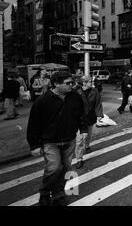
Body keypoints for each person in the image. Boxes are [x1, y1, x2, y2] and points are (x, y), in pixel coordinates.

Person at [27, 71, 87, 206]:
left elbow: (81, 115)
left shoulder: (75, 97)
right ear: (55, 84)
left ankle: (58, 194)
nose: (72, 85)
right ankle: (44, 193)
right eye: (68, 83)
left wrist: (83, 130)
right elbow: (33, 124)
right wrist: (34, 145)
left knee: (65, 169)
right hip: (50, 142)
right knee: (54, 168)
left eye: (72, 82)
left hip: (69, 139)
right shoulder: (42, 101)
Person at [74, 76, 103, 169]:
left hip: (90, 117)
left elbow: (98, 103)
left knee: (89, 135)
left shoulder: (95, 91)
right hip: (79, 120)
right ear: (84, 83)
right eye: (90, 81)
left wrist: (99, 115)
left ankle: (87, 145)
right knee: (79, 140)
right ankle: (79, 159)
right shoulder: (76, 92)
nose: (92, 83)